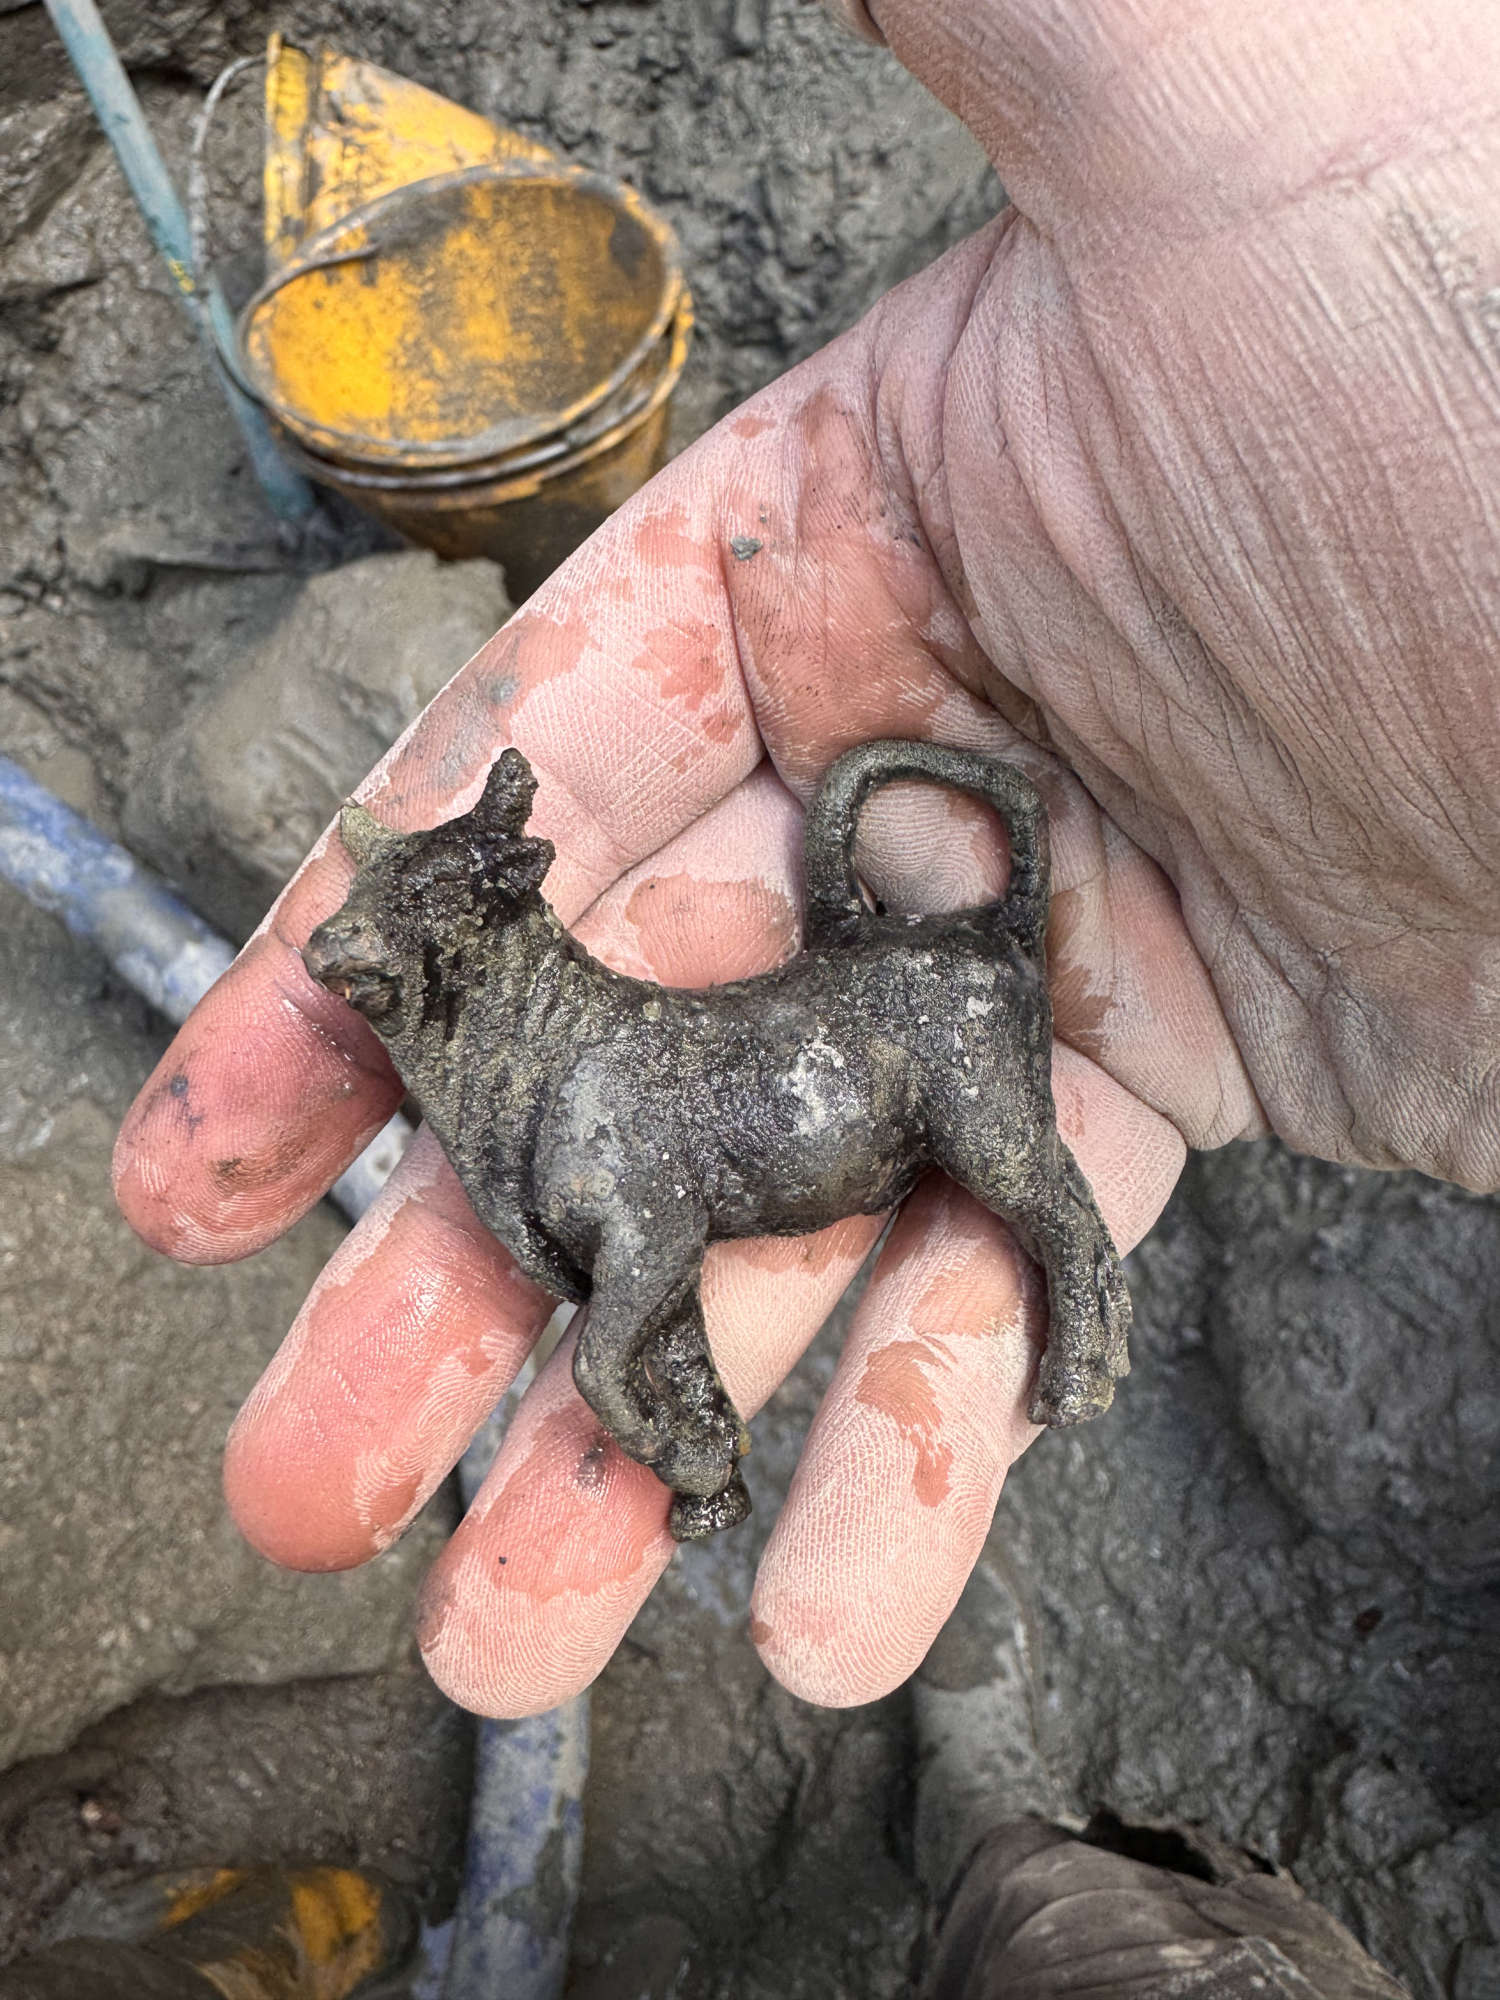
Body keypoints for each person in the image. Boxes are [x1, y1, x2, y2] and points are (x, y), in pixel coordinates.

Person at [112, 2, 1494, 1990]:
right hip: (854, 1017)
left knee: (1020, 1183)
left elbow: (636, 1222)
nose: (357, 963)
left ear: (479, 935)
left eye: (400, 939)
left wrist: (629, 1368)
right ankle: (1016, 1834)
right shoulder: (546, 1078)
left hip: (893, 1037)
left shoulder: (613, 1092)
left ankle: (1071, 1316)